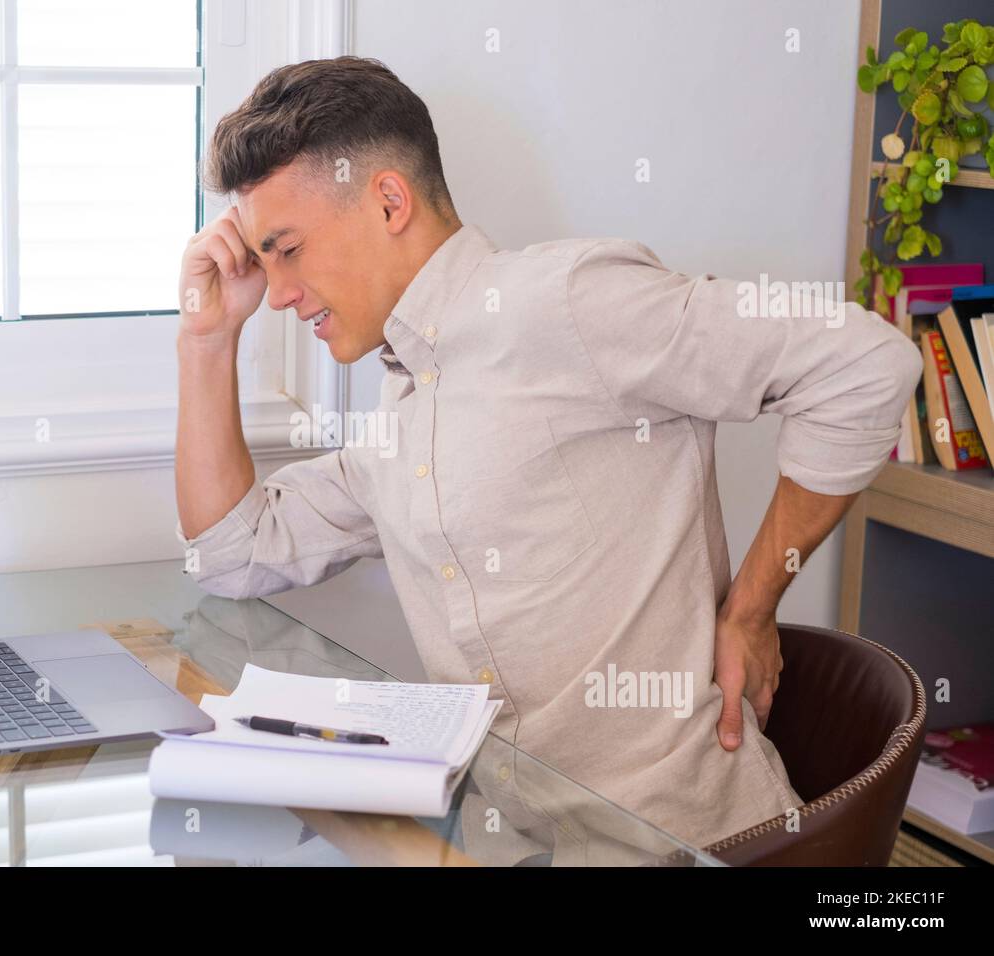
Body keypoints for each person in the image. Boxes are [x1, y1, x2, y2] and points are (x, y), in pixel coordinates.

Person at [172, 56, 922, 848]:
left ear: (388, 199)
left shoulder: (568, 303)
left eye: (287, 248)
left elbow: (867, 365)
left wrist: (754, 605)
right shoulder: (400, 411)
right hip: (518, 848)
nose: (279, 293)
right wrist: (208, 338)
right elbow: (231, 555)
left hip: (690, 843)